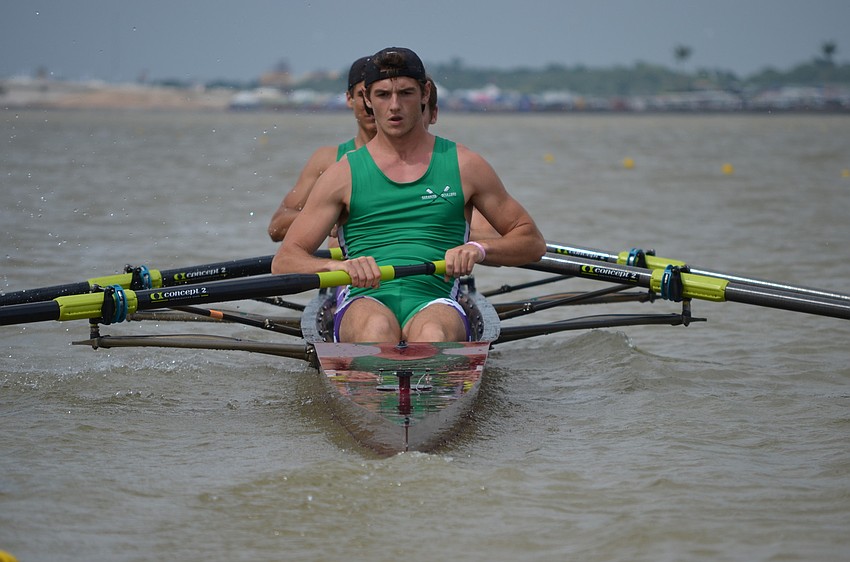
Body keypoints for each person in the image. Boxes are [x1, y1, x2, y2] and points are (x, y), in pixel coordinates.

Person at [272, 47, 545, 343]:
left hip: (435, 300)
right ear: (366, 100)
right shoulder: (342, 174)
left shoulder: (466, 165)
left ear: (425, 94)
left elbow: (531, 241)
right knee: (376, 329)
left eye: (405, 93)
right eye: (382, 95)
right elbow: (285, 260)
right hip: (364, 299)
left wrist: (479, 249)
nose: (394, 106)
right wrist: (338, 266)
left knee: (432, 334)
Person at [267, 57, 439, 242]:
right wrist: (328, 220)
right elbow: (277, 226)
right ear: (353, 99)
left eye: (388, 94)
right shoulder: (328, 160)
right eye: (380, 95)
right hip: (349, 264)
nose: (385, 106)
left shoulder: (443, 162)